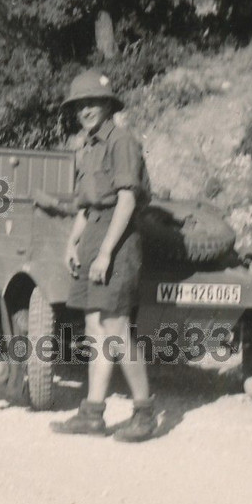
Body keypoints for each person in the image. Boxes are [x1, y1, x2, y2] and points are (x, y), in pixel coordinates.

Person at [52, 69, 156, 442]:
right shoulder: (88, 147)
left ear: (108, 105)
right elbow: (85, 205)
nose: (86, 110)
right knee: (95, 325)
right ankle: (93, 413)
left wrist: (106, 253)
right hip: (95, 234)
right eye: (80, 105)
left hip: (119, 237)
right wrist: (73, 243)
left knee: (115, 329)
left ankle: (145, 413)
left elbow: (127, 200)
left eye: (93, 103)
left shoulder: (121, 141)